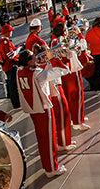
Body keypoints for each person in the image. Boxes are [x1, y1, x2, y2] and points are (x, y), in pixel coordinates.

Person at [15, 48, 65, 178]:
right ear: (29, 61)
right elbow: (63, 71)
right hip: (43, 109)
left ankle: (47, 165)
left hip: (33, 109)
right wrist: (53, 59)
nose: (36, 59)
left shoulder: (19, 71)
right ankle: (52, 168)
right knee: (49, 139)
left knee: (42, 139)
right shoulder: (37, 73)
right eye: (33, 58)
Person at [0, 23, 20, 110]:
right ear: (7, 32)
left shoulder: (1, 42)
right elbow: (11, 55)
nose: (11, 32)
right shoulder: (6, 43)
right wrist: (18, 49)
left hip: (6, 67)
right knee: (13, 85)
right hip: (10, 66)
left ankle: (14, 101)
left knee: (11, 85)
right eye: (10, 31)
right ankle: (16, 103)